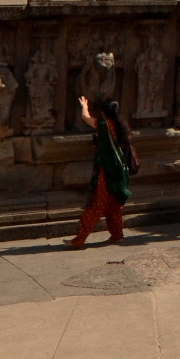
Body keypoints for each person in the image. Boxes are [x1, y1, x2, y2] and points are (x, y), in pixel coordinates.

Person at [69, 94, 135, 249]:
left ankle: (80, 238)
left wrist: (84, 105)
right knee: (114, 204)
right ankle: (117, 234)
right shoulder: (121, 126)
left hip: (107, 171)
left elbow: (85, 117)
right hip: (120, 171)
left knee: (97, 204)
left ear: (104, 113)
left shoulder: (105, 125)